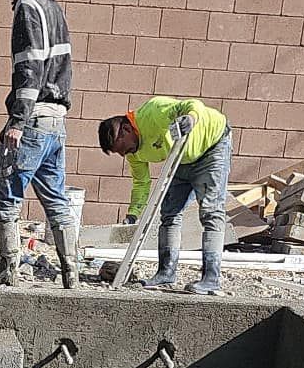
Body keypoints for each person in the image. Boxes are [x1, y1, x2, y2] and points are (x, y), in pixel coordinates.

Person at [0, 0, 78, 290]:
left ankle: (8, 268)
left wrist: (17, 121)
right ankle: (71, 271)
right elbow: (62, 66)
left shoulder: (28, 6)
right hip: (56, 119)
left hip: (32, 116)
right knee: (56, 198)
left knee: (7, 192)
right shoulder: (54, 7)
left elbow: (29, 67)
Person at [97, 97, 232, 295]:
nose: (124, 155)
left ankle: (211, 278)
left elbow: (193, 105)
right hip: (181, 157)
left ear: (126, 130)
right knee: (169, 214)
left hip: (211, 148)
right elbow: (141, 183)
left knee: (211, 212)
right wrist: (133, 213)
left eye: (123, 149)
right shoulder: (133, 153)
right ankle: (166, 273)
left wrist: (191, 118)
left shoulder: (154, 111)